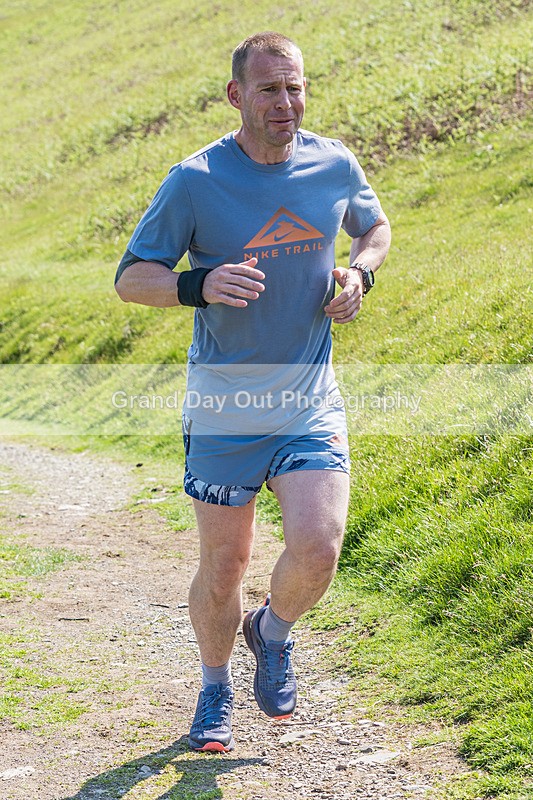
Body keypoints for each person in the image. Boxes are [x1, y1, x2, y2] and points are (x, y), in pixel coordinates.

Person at [115, 31, 391, 753]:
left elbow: (375, 227)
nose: (285, 102)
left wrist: (359, 274)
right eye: (268, 89)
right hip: (225, 404)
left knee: (319, 546)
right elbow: (131, 277)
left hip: (308, 397)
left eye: (294, 87)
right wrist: (196, 284)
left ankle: (270, 632)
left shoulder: (333, 163)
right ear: (237, 96)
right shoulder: (195, 179)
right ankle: (213, 693)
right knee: (225, 565)